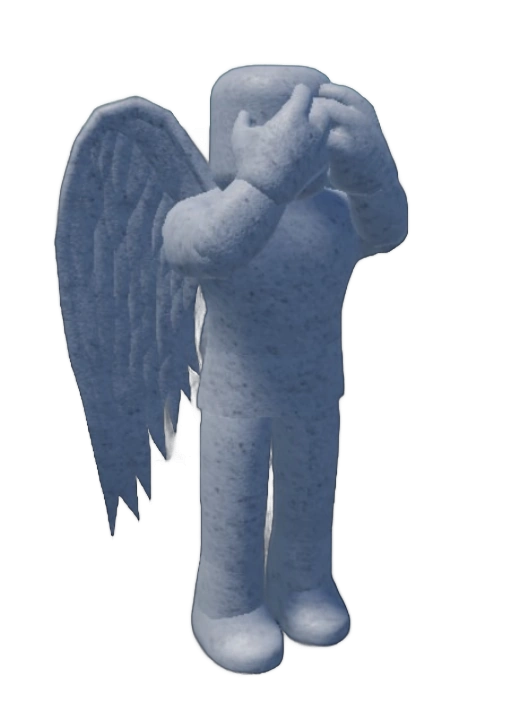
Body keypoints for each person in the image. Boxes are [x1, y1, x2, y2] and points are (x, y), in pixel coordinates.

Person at [163, 63, 409, 675]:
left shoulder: (333, 215)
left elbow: (390, 229)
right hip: (234, 396)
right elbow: (217, 245)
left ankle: (303, 583)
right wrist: (265, 179)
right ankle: (226, 604)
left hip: (317, 389)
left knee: (310, 496)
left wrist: (374, 166)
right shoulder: (197, 213)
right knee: (235, 503)